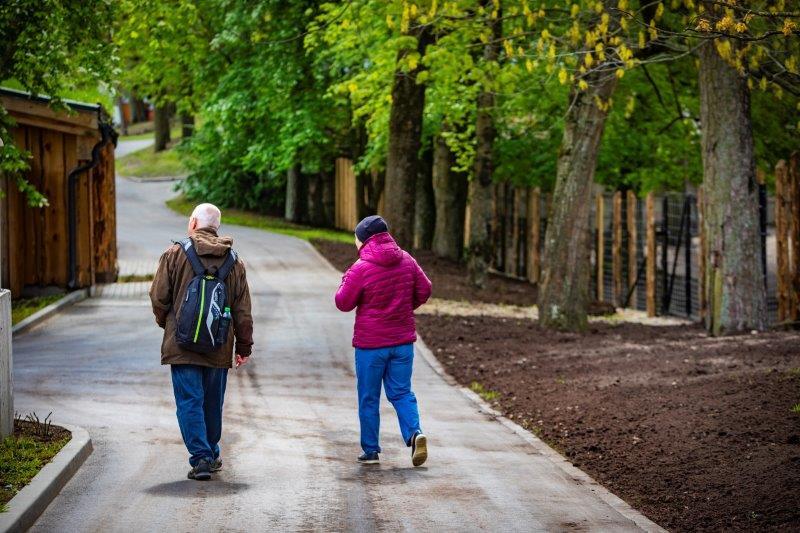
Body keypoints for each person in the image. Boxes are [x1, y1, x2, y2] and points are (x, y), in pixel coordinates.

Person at [149, 203, 253, 481]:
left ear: (193, 223)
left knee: (189, 401)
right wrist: (243, 347)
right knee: (212, 402)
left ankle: (201, 457)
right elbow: (242, 310)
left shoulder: (174, 254)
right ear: (216, 227)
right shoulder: (235, 262)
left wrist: (169, 325)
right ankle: (211, 452)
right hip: (218, 345)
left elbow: (159, 297)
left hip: (181, 346)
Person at [335, 215, 433, 467]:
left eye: (356, 239)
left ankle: (370, 450)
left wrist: (346, 279)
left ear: (364, 240)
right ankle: (415, 433)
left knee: (369, 396)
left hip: (371, 346)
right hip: (402, 343)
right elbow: (425, 289)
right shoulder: (407, 259)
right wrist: (404, 307)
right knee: (401, 392)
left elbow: (343, 302)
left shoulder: (360, 267)